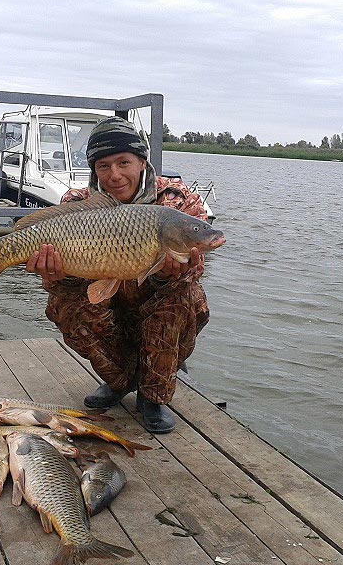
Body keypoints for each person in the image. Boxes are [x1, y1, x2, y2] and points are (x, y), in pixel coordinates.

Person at [26, 116, 211, 434]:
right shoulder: (77, 204)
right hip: (103, 300)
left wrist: (167, 275)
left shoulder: (176, 202)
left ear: (142, 161)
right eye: (103, 166)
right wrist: (56, 274)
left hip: (153, 305)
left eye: (124, 162)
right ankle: (120, 381)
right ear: (94, 170)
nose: (114, 175)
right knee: (62, 302)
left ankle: (153, 395)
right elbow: (61, 282)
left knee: (185, 296)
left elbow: (194, 271)